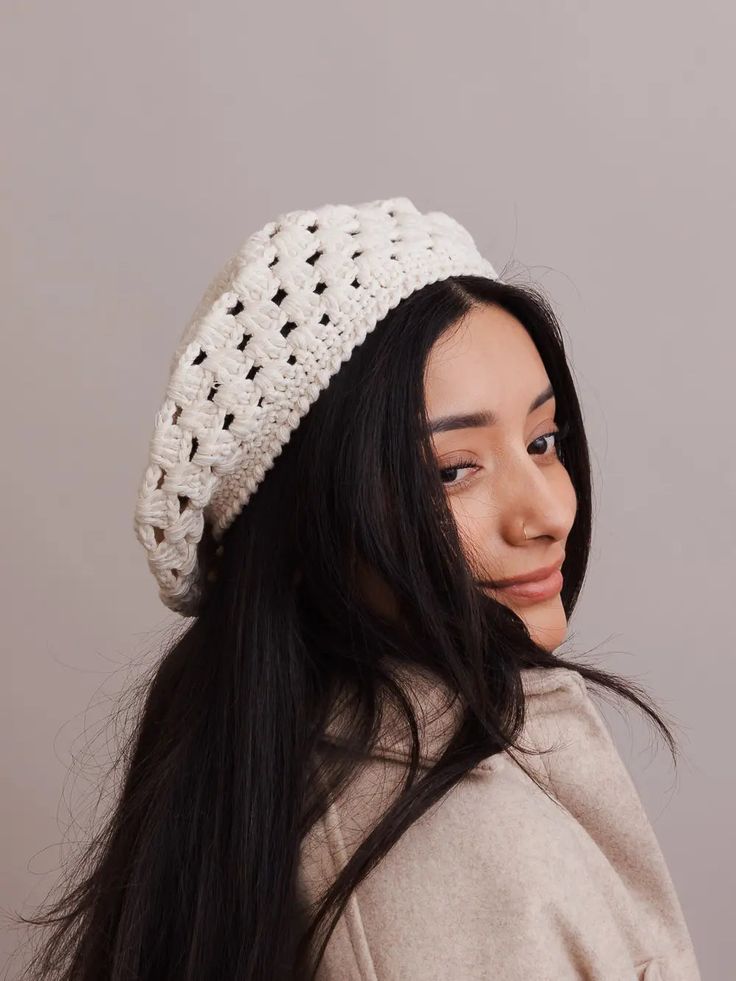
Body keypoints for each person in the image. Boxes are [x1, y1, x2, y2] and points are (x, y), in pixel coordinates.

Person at [15, 197, 701, 979]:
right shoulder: (472, 858)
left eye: (543, 442)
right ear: (304, 536)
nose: (548, 510)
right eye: (453, 470)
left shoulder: (274, 773)